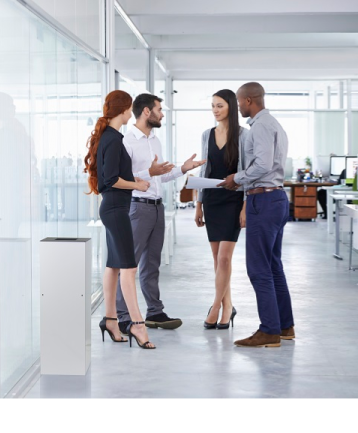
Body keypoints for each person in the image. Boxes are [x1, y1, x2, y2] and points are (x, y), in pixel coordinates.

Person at [115, 93, 205, 334]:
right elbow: (122, 179)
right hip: (137, 207)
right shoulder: (126, 141)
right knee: (128, 264)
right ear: (146, 111)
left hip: (157, 206)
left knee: (152, 264)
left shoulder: (155, 140)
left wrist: (182, 169)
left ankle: (154, 312)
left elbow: (161, 175)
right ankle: (122, 316)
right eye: (159, 109)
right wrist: (149, 172)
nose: (162, 114)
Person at [219, 82, 294, 348]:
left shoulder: (261, 126)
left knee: (258, 269)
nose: (238, 107)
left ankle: (269, 331)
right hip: (275, 198)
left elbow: (262, 164)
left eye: (239, 102)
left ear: (249, 100)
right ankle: (285, 326)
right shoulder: (273, 124)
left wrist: (236, 179)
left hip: (263, 199)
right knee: (273, 267)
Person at [83, 90, 155, 349]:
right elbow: (110, 181)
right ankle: (137, 324)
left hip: (114, 208)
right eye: (129, 108)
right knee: (129, 267)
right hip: (115, 209)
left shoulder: (110, 137)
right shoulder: (113, 139)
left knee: (114, 266)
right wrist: (138, 184)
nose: (131, 112)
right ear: (124, 110)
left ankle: (110, 319)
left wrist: (137, 181)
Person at [194, 90, 247, 329]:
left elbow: (247, 171)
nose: (215, 110)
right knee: (217, 260)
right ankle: (228, 306)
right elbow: (203, 172)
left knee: (225, 258)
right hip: (212, 201)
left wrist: (245, 206)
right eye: (213, 106)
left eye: (220, 106)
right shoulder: (207, 135)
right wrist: (198, 204)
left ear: (231, 108)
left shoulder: (244, 136)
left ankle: (215, 306)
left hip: (233, 201)